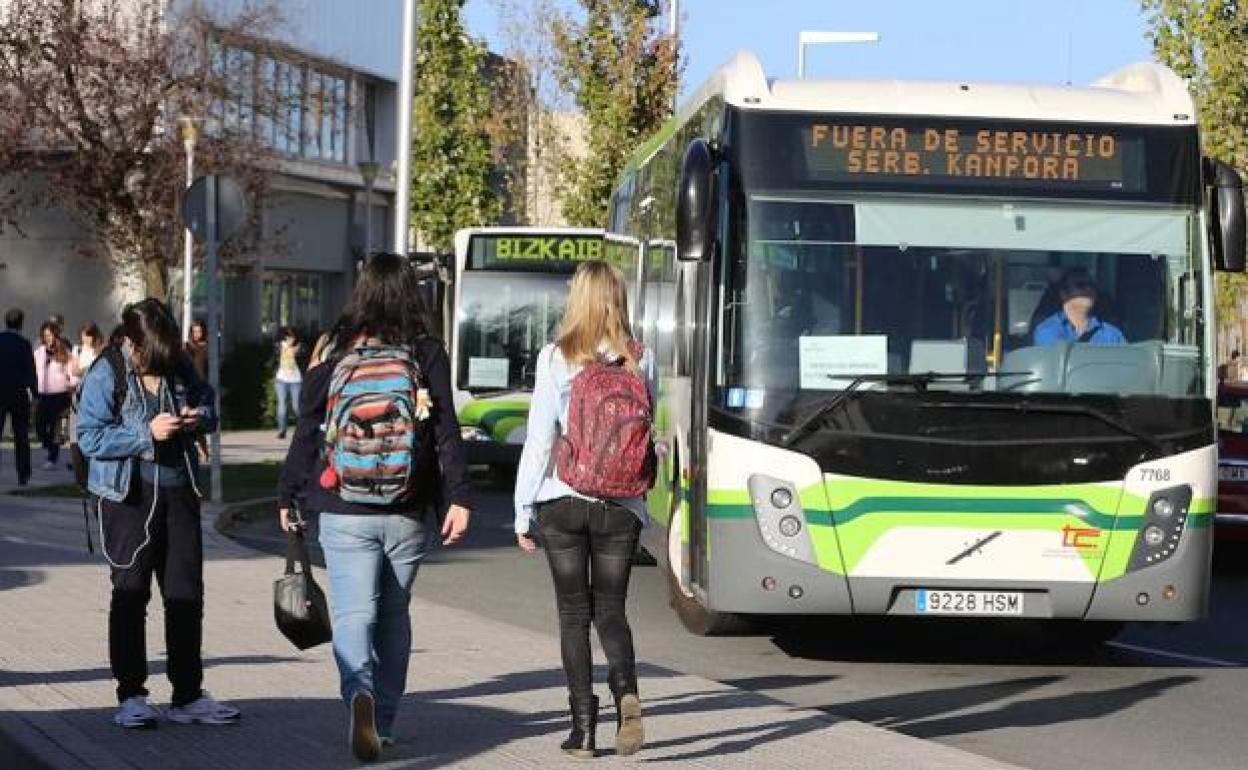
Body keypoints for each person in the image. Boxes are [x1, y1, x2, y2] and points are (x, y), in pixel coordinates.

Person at [277, 253, 471, 761]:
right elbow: (446, 428)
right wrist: (458, 499)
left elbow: (308, 429)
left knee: (354, 613)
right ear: (413, 293)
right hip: (407, 509)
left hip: (342, 505)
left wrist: (288, 494)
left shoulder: (336, 349)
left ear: (362, 291)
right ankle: (382, 720)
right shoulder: (426, 352)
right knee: (394, 614)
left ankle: (357, 693)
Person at [76, 298, 240, 729]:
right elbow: (89, 438)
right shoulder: (105, 371)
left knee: (186, 595)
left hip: (179, 492)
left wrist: (196, 418)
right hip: (127, 497)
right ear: (131, 343)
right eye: (151, 357)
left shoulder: (176, 362)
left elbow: (210, 407)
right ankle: (131, 695)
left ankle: (187, 694)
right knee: (130, 595)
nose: (159, 365)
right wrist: (144, 433)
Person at [514, 260, 656, 759]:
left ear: (577, 300)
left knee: (573, 615)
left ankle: (584, 730)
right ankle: (627, 694)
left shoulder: (556, 356)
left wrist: (521, 509)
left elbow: (539, 439)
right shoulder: (639, 357)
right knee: (611, 610)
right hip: (621, 504)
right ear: (618, 300)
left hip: (562, 498)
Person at [1032, 268, 1127, 346]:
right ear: (1064, 294)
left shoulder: (1112, 333)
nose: (1089, 289)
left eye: (1092, 285)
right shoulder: (1048, 329)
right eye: (1081, 285)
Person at [0, 309, 37, 485]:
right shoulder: (24, 344)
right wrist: (34, 392)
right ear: (21, 324)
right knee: (21, 435)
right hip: (18, 393)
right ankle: (23, 474)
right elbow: (31, 370)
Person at [34, 321, 78, 470]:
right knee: (39, 425)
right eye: (45, 335)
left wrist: (71, 383)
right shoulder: (39, 352)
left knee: (54, 428)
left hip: (59, 395)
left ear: (56, 336)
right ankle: (51, 446)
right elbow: (34, 371)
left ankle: (52, 457)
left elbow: (72, 373)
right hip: (43, 395)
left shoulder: (64, 352)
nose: (48, 338)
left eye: (50, 335)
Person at [274, 327, 302, 439]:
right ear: (284, 337)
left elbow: (304, 359)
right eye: (288, 337)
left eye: (292, 336)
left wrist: (296, 351)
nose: (291, 339)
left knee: (296, 407)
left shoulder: (300, 348)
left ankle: (302, 428)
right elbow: (274, 359)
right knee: (282, 405)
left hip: (296, 380)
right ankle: (282, 430)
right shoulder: (279, 346)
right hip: (281, 380)